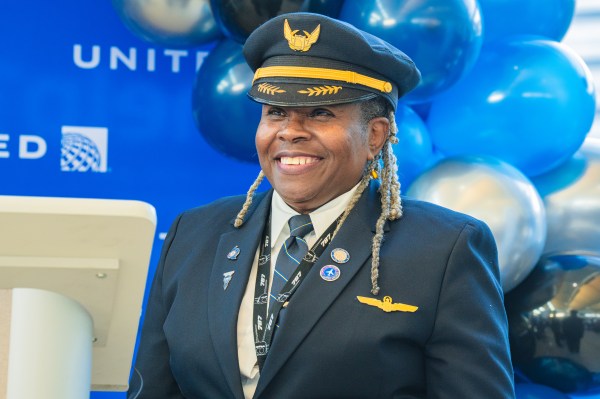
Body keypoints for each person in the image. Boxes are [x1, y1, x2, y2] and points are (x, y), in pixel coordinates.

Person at [128, 12, 515, 399]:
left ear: (375, 136)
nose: (290, 131)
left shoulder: (445, 250)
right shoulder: (192, 235)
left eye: (320, 113)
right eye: (276, 112)